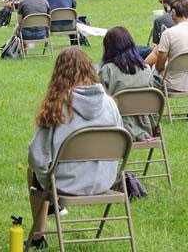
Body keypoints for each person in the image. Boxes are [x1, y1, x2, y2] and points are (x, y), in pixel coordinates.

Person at [25, 47, 123, 250]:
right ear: (90, 69)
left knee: (32, 171)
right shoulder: (110, 104)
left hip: (66, 183)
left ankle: (38, 236)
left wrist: (47, 182)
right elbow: (120, 144)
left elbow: (37, 157)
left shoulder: (57, 106)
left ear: (58, 74)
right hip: (105, 180)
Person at [99, 26, 158, 141]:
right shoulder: (146, 68)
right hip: (146, 127)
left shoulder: (107, 70)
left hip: (116, 127)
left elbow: (101, 103)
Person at [145, 0, 188, 93]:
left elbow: (159, 67)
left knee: (145, 76)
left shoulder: (168, 34)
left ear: (173, 12)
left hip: (170, 84)